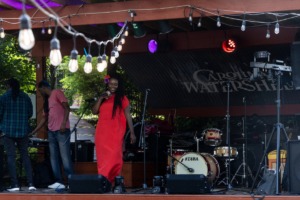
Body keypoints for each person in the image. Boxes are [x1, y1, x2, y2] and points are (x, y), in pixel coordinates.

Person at [92, 74, 136, 185]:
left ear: (119, 86)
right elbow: (94, 111)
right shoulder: (103, 98)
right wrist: (101, 98)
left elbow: (128, 116)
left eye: (115, 84)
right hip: (102, 133)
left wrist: (132, 132)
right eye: (111, 83)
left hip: (116, 132)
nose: (113, 86)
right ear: (107, 84)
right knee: (103, 159)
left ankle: (115, 181)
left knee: (115, 157)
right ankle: (103, 181)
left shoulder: (122, 98)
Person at [30, 80, 73, 190]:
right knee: (53, 157)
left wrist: (64, 123)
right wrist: (34, 131)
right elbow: (44, 118)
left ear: (44, 87)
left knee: (65, 157)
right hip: (51, 132)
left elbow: (67, 107)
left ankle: (71, 181)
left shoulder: (57, 92)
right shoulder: (47, 101)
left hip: (62, 130)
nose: (40, 93)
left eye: (40, 91)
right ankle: (59, 181)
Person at [0, 78, 36, 192]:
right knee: (25, 156)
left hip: (8, 131)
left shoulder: (3, 97)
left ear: (8, 86)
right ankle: (31, 183)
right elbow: (30, 113)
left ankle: (14, 184)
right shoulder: (25, 97)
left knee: (11, 157)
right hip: (23, 131)